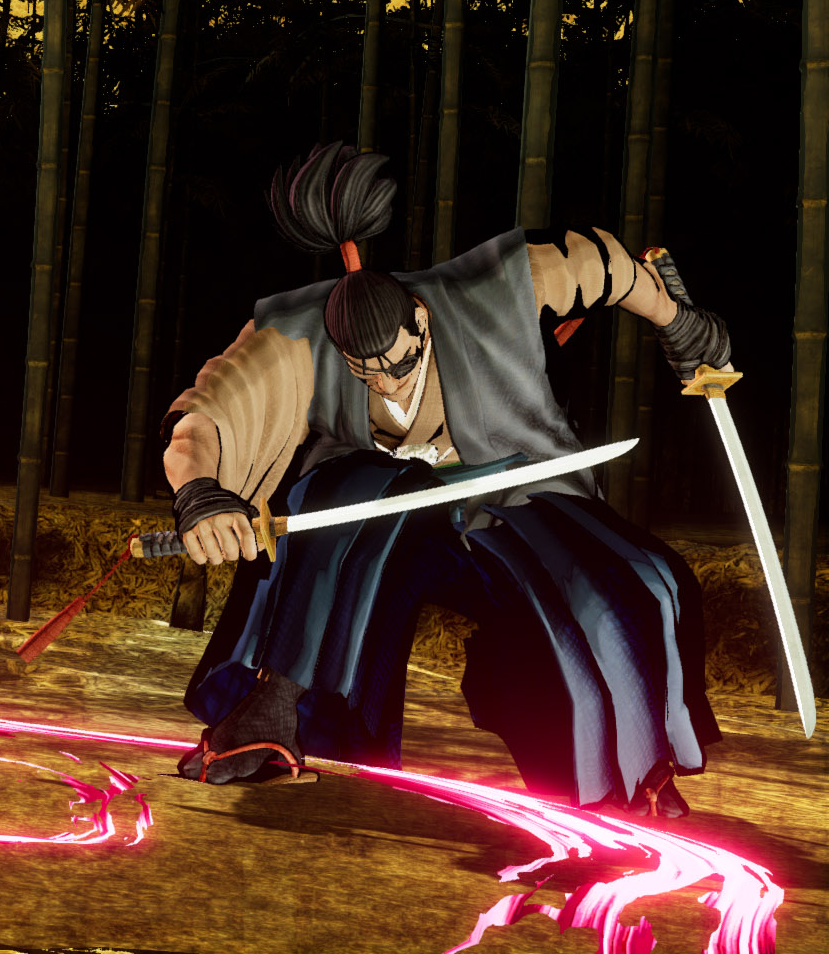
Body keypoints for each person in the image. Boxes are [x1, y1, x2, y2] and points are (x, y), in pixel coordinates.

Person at [163, 142, 726, 818]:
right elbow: (203, 417)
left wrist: (678, 323)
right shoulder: (295, 337)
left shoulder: (493, 289)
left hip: (520, 504)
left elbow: (605, 264)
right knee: (333, 501)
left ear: (421, 321)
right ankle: (274, 711)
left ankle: (629, 781)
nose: (384, 384)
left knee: (625, 588)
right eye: (364, 371)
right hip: (387, 533)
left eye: (398, 364)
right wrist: (199, 494)